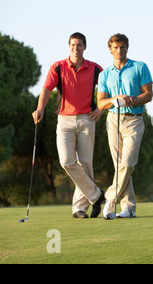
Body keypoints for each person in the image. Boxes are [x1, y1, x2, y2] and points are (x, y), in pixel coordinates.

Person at [32, 32, 105, 219]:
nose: (76, 48)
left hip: (87, 119)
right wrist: (40, 108)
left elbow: (108, 90)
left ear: (85, 47)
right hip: (64, 119)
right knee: (66, 161)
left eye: (79, 45)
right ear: (68, 46)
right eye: (73, 44)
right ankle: (96, 196)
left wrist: (100, 110)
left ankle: (80, 209)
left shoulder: (96, 68)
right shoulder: (58, 67)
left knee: (85, 163)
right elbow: (47, 89)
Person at [97, 33, 153, 220]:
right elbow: (100, 104)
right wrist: (114, 100)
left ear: (127, 47)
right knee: (119, 166)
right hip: (113, 120)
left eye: (122, 47)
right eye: (115, 48)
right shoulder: (104, 74)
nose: (119, 51)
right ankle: (128, 207)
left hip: (134, 120)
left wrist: (132, 100)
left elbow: (148, 95)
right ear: (110, 49)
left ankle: (109, 198)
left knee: (128, 163)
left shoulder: (140, 67)